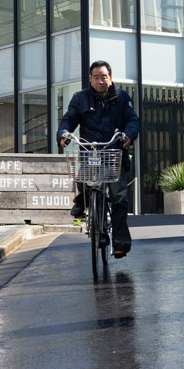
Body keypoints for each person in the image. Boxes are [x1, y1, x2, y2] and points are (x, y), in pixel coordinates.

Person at [56, 61, 140, 257]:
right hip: (91, 150)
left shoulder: (121, 97)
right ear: (90, 79)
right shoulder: (80, 98)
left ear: (110, 78)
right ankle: (83, 205)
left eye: (104, 76)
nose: (100, 80)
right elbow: (69, 118)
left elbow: (132, 119)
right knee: (87, 182)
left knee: (119, 198)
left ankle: (120, 242)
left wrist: (129, 134)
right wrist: (64, 133)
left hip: (114, 151)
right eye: (96, 77)